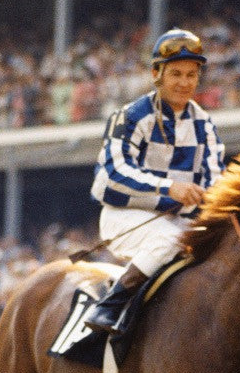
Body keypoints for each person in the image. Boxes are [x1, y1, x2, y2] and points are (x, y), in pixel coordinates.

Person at [85, 29, 225, 334]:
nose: (184, 82)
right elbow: (111, 175)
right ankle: (109, 305)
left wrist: (210, 199)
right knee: (169, 240)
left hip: (180, 223)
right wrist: (168, 188)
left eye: (191, 74)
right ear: (156, 73)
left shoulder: (205, 124)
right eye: (175, 73)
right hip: (124, 217)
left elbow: (216, 182)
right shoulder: (131, 116)